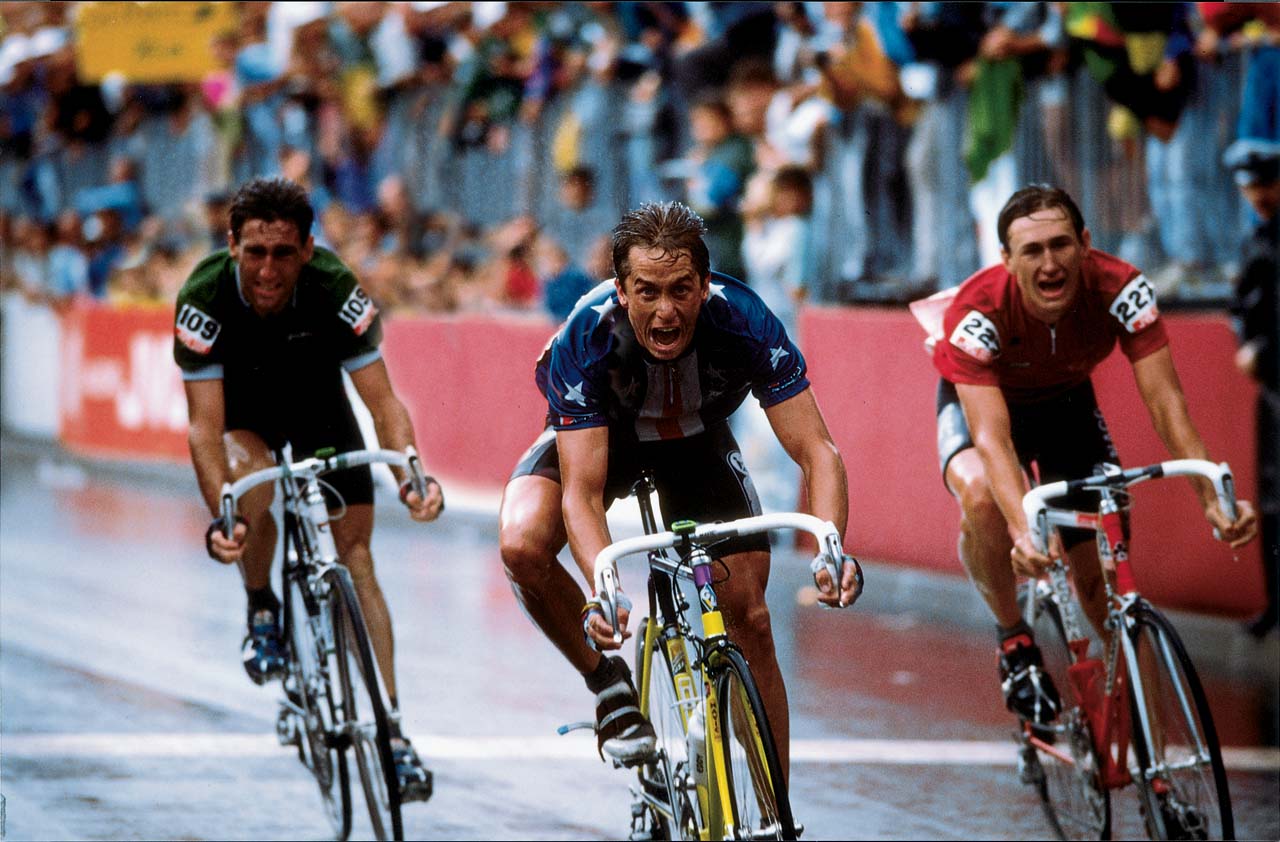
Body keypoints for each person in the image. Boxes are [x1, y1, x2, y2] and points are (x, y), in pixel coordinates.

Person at [498, 201, 861, 771]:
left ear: (705, 286)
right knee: (521, 543)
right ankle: (610, 688)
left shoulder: (743, 318)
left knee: (751, 617)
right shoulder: (587, 334)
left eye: (680, 290)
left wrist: (830, 548)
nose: (665, 312)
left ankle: (776, 814)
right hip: (603, 438)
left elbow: (818, 450)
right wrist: (605, 587)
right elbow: (582, 494)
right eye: (647, 292)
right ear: (621, 290)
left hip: (697, 445)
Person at [928, 184, 1258, 728]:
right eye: (1032, 251)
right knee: (983, 496)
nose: (1050, 263)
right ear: (1007, 261)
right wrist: (1022, 533)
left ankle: (1163, 769)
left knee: (1106, 593)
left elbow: (1166, 402)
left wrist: (1212, 499)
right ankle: (1014, 639)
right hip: (986, 406)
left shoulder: (1122, 287)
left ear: (1085, 243)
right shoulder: (977, 312)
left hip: (1066, 409)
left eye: (1061, 244)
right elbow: (991, 439)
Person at [172, 176, 443, 801]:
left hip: (322, 412)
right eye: (256, 253)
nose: (269, 270)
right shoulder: (202, 298)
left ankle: (394, 735)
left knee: (359, 559)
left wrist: (411, 473)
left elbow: (383, 402)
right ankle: (263, 605)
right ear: (232, 244)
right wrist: (225, 518)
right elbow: (204, 430)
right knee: (252, 489)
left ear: (308, 249)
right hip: (245, 421)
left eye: (285, 254)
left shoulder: (334, 287)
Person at [1224, 141, 1280, 637]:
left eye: (1266, 183)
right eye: (1250, 187)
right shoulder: (1256, 241)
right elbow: (1242, 306)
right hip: (1273, 388)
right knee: (1271, 497)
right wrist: (1252, 348)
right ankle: (1275, 605)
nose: (1259, 195)